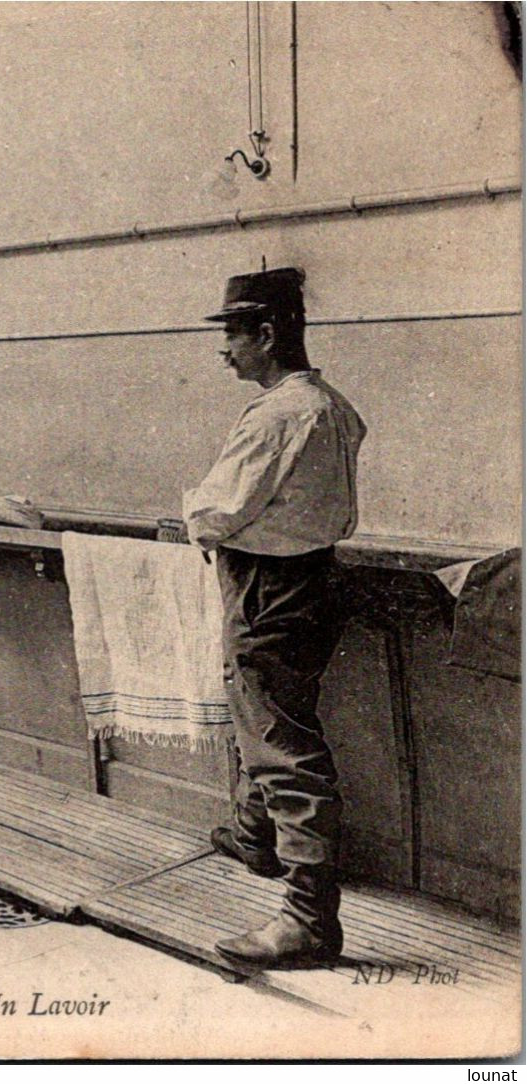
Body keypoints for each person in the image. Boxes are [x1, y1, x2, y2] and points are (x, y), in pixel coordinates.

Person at [182, 268, 366, 969]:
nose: (222, 350)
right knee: (268, 715)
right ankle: (253, 835)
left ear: (265, 334)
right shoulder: (331, 405)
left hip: (268, 586)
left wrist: (190, 512)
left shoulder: (275, 415)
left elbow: (216, 512)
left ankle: (306, 921)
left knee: (278, 741)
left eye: (230, 334)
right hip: (311, 578)